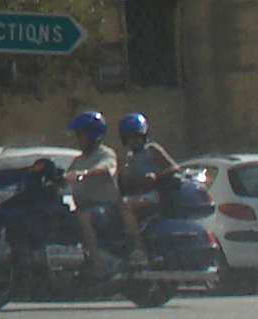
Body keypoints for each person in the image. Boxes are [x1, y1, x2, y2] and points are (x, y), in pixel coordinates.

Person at [115, 110, 180, 252]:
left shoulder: (152, 149)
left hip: (153, 194)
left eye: (137, 137)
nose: (133, 141)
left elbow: (175, 168)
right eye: (130, 137)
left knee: (124, 205)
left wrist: (156, 176)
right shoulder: (129, 157)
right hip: (136, 195)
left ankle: (139, 247)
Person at [65, 109, 119, 265]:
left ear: (94, 134)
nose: (77, 138)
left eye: (81, 134)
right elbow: (67, 176)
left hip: (105, 209)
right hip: (84, 206)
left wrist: (86, 173)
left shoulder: (106, 154)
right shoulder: (78, 160)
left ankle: (97, 261)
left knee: (85, 217)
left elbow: (105, 168)